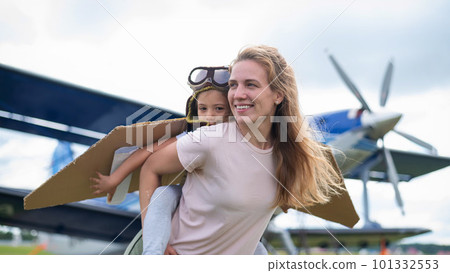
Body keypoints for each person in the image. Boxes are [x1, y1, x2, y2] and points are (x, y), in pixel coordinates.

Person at [139, 45, 343, 254]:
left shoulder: (287, 154)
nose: (238, 94)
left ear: (278, 95)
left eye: (251, 85)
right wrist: (155, 242)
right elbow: (150, 168)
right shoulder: (209, 140)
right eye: (233, 85)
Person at [91, 66, 267, 254]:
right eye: (203, 108)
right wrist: (115, 179)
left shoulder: (245, 140)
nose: (209, 116)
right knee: (164, 195)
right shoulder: (195, 136)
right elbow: (146, 152)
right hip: (188, 198)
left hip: (223, 211)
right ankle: (152, 252)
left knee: (258, 249)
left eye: (218, 108)